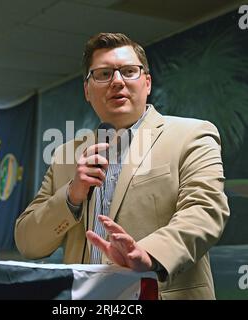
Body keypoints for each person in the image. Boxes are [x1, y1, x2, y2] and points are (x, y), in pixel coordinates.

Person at [15, 32, 230, 299]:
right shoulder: (65, 155)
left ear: (147, 83)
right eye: (104, 74)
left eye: (129, 71)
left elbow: (205, 210)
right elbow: (28, 243)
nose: (117, 81)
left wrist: (149, 254)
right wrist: (72, 195)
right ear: (87, 90)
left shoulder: (191, 135)